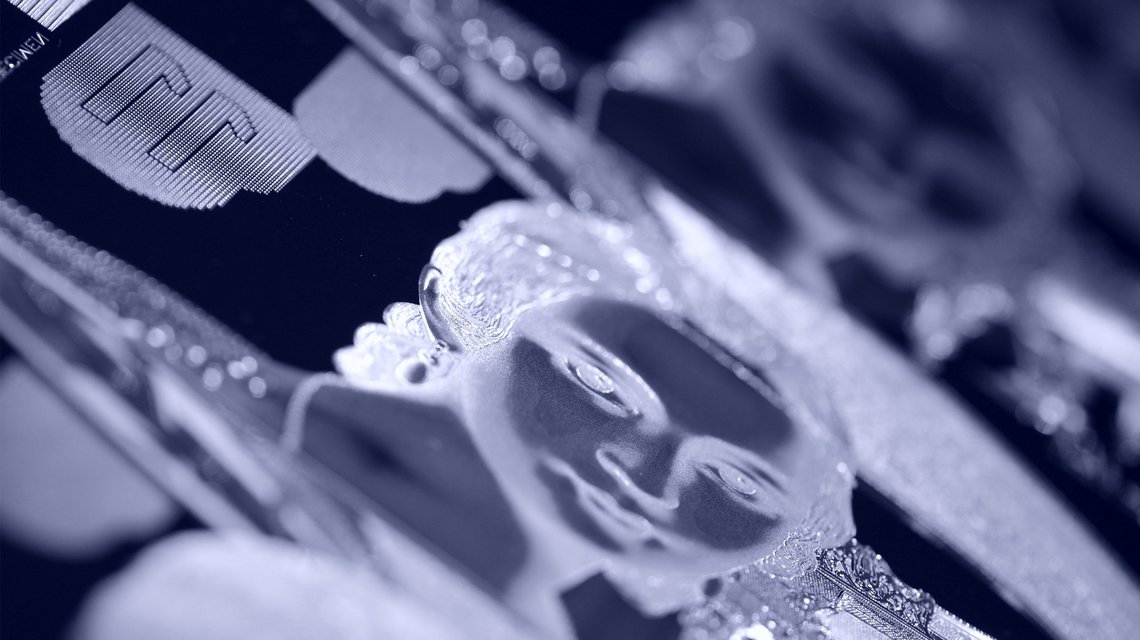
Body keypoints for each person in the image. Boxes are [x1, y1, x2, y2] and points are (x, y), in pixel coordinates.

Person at [289, 199, 856, 636]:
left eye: (738, 484)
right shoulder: (267, 431)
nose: (646, 478)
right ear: (457, 307)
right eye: (597, 382)